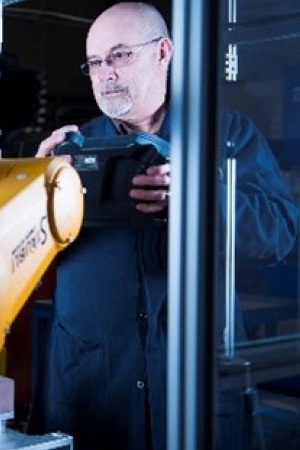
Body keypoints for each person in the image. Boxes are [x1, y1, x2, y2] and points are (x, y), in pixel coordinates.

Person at [34, 3, 299, 450]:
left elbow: (281, 235)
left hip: (192, 380)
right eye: (95, 62)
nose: (105, 74)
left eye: (119, 56)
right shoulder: (70, 151)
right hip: (93, 386)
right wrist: (30, 192)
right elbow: (14, 257)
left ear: (163, 51)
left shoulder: (226, 135)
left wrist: (202, 196)